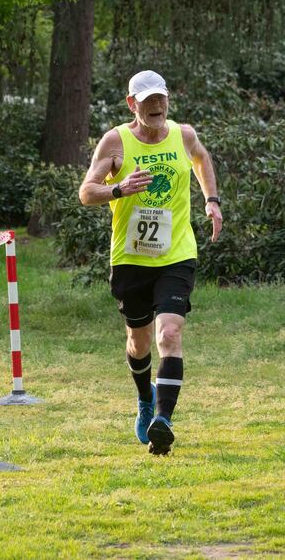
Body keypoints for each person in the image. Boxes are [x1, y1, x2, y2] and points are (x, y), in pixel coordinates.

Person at [79, 70, 223, 455]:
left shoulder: (183, 134)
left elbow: (201, 158)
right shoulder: (115, 141)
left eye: (161, 99)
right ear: (132, 104)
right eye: (148, 102)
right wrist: (118, 189)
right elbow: (86, 192)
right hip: (131, 257)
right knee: (138, 341)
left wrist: (211, 200)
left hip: (176, 253)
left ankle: (163, 421)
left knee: (169, 334)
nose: (156, 106)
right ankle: (146, 398)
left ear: (168, 100)